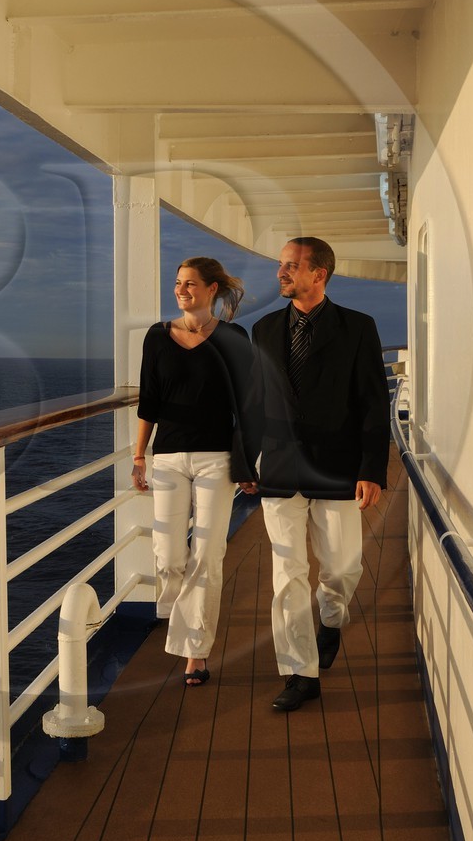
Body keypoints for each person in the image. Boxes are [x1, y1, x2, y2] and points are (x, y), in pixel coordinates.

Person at [251, 237, 389, 712]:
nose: (281, 273)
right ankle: (298, 672)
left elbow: (373, 402)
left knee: (342, 567)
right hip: (279, 467)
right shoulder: (265, 329)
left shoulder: (357, 328)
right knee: (287, 575)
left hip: (337, 466)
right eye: (281, 266)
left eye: (291, 266)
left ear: (319, 273)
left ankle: (331, 620)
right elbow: (255, 402)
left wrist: (373, 468)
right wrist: (245, 459)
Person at [131, 257, 258, 687]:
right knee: (168, 554)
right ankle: (180, 614)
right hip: (167, 457)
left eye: (190, 284)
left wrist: (250, 460)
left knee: (207, 554)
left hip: (216, 459)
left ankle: (195, 653)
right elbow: (149, 400)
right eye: (178, 283)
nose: (181, 290)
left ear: (212, 289)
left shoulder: (233, 337)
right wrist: (137, 455)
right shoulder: (157, 336)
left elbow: (247, 403)